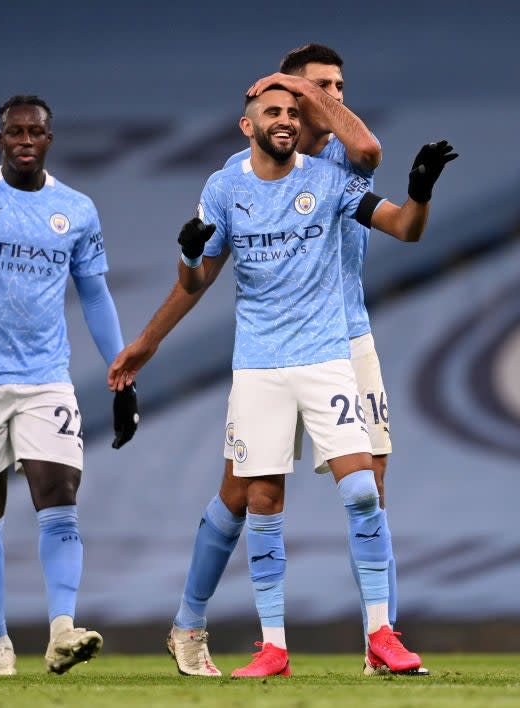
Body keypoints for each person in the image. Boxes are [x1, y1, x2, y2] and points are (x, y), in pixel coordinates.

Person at [108, 43, 425, 677]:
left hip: (344, 340)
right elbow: (200, 272)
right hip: (265, 354)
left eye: (337, 88)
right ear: (265, 111)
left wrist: (415, 187)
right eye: (318, 90)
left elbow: (374, 167)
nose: (331, 99)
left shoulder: (337, 161)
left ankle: (380, 634)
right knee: (244, 495)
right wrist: (149, 338)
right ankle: (195, 624)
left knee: (369, 487)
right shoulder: (232, 180)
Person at [0, 95, 138, 676]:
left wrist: (121, 370)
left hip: (45, 380)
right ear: (0, 138)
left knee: (59, 498)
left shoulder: (76, 209)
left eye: (35, 131)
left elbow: (94, 294)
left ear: (50, 139)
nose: (25, 140)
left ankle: (62, 629)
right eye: (15, 131)